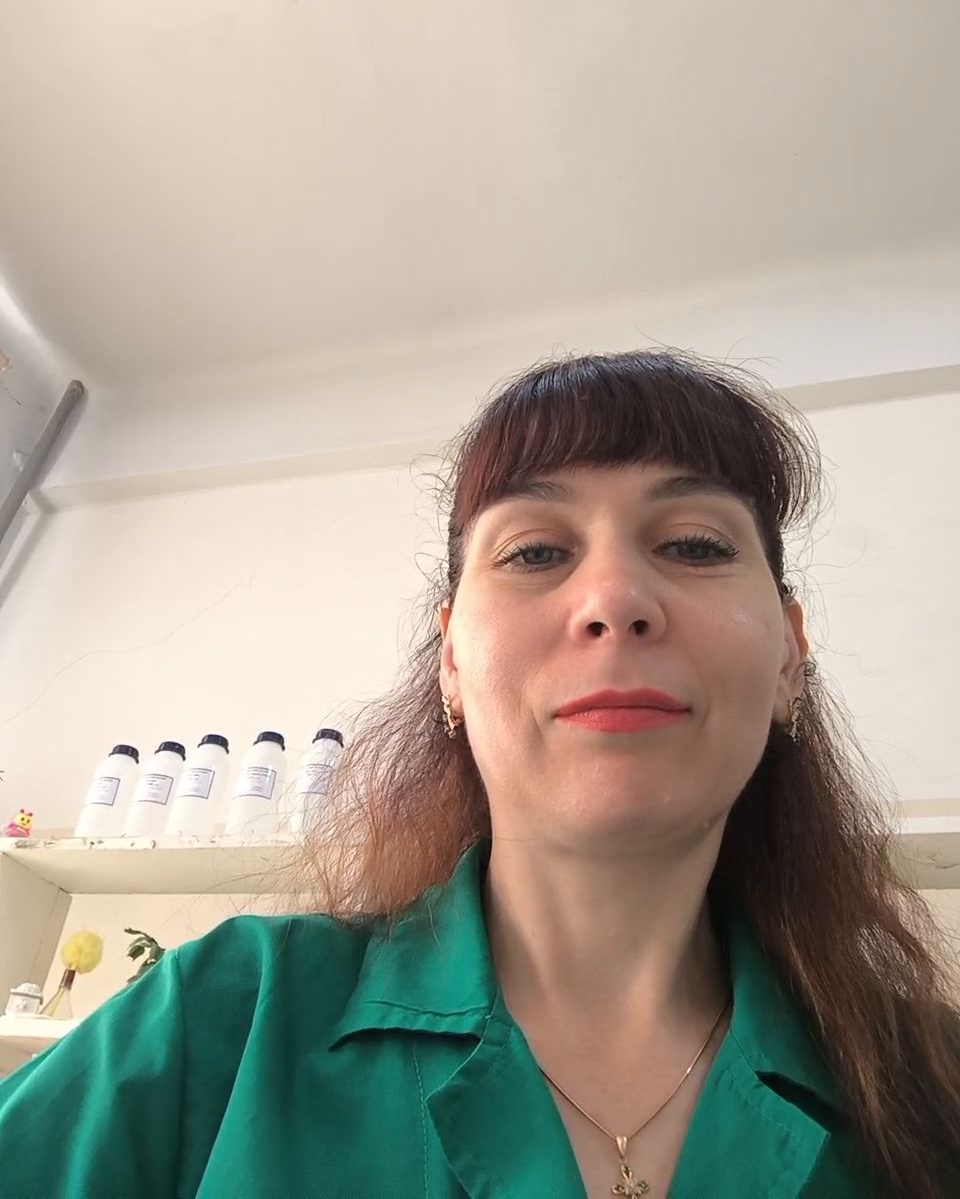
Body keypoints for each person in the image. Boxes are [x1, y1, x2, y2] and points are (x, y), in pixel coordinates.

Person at [1, 349, 958, 1198]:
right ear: (451, 663)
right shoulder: (225, 1015)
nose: (616, 598)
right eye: (535, 551)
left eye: (694, 545)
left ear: (790, 654)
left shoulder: (933, 1087)